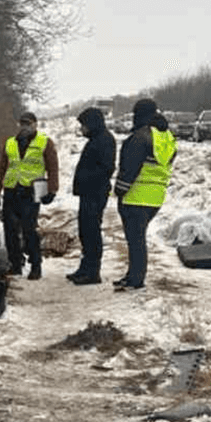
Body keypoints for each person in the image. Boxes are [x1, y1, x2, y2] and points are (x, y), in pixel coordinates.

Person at [112, 98, 176, 292]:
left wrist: (119, 189)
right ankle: (133, 275)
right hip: (156, 196)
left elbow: (129, 167)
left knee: (135, 240)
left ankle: (136, 279)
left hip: (135, 196)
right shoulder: (166, 137)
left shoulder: (140, 137)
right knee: (138, 239)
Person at [0, 111, 58, 280]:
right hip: (11, 190)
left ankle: (36, 265)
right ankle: (15, 264)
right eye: (22, 124)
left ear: (35, 124)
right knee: (10, 230)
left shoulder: (45, 142)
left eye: (28, 123)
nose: (25, 127)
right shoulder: (10, 143)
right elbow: (1, 169)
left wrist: (52, 190)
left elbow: (53, 169)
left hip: (32, 191)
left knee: (29, 230)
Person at [67, 107, 116, 285]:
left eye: (84, 125)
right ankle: (85, 267)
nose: (82, 129)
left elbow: (106, 168)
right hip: (89, 193)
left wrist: (86, 179)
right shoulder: (96, 139)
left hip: (95, 193)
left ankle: (93, 272)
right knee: (85, 230)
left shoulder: (104, 140)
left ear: (92, 124)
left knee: (91, 232)